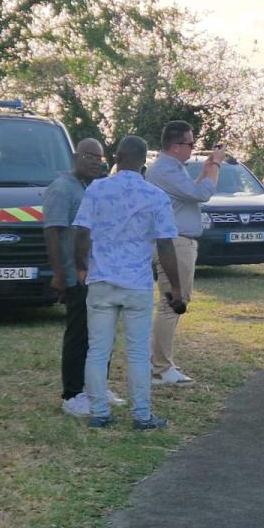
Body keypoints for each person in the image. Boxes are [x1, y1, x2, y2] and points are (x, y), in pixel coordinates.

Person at [73, 135, 186, 430]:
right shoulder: (155, 196)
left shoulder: (97, 189)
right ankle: (142, 415)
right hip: (136, 283)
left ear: (117, 157)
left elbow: (81, 233)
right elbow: (165, 245)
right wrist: (174, 286)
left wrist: (81, 267)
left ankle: (99, 412)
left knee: (98, 349)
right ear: (143, 162)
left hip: (101, 280)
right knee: (137, 352)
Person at [44, 138, 125, 416]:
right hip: (74, 275)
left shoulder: (90, 188)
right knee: (78, 335)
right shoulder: (62, 188)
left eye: (99, 158)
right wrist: (59, 274)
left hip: (96, 275)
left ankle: (97, 388)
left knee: (100, 334)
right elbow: (52, 232)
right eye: (89, 156)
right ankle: (72, 394)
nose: (94, 162)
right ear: (75, 157)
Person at [145, 120, 230, 386]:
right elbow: (202, 194)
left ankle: (161, 363)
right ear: (175, 146)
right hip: (176, 243)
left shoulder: (171, 169)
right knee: (173, 303)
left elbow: (188, 194)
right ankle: (161, 367)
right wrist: (215, 165)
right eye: (190, 143)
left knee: (173, 302)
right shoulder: (166, 170)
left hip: (179, 242)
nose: (194, 148)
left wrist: (205, 171)